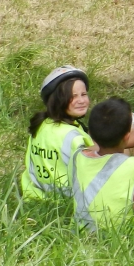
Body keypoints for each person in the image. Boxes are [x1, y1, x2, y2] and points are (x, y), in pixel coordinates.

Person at [70, 97, 134, 231]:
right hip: (126, 238)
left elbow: (90, 149)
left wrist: (125, 142)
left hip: (81, 232)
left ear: (89, 133)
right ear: (127, 136)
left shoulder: (77, 156)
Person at [21, 65, 94, 201]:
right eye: (72, 97)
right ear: (57, 100)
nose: (81, 100)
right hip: (69, 199)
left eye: (83, 94)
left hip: (36, 194)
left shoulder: (41, 124)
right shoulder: (73, 137)